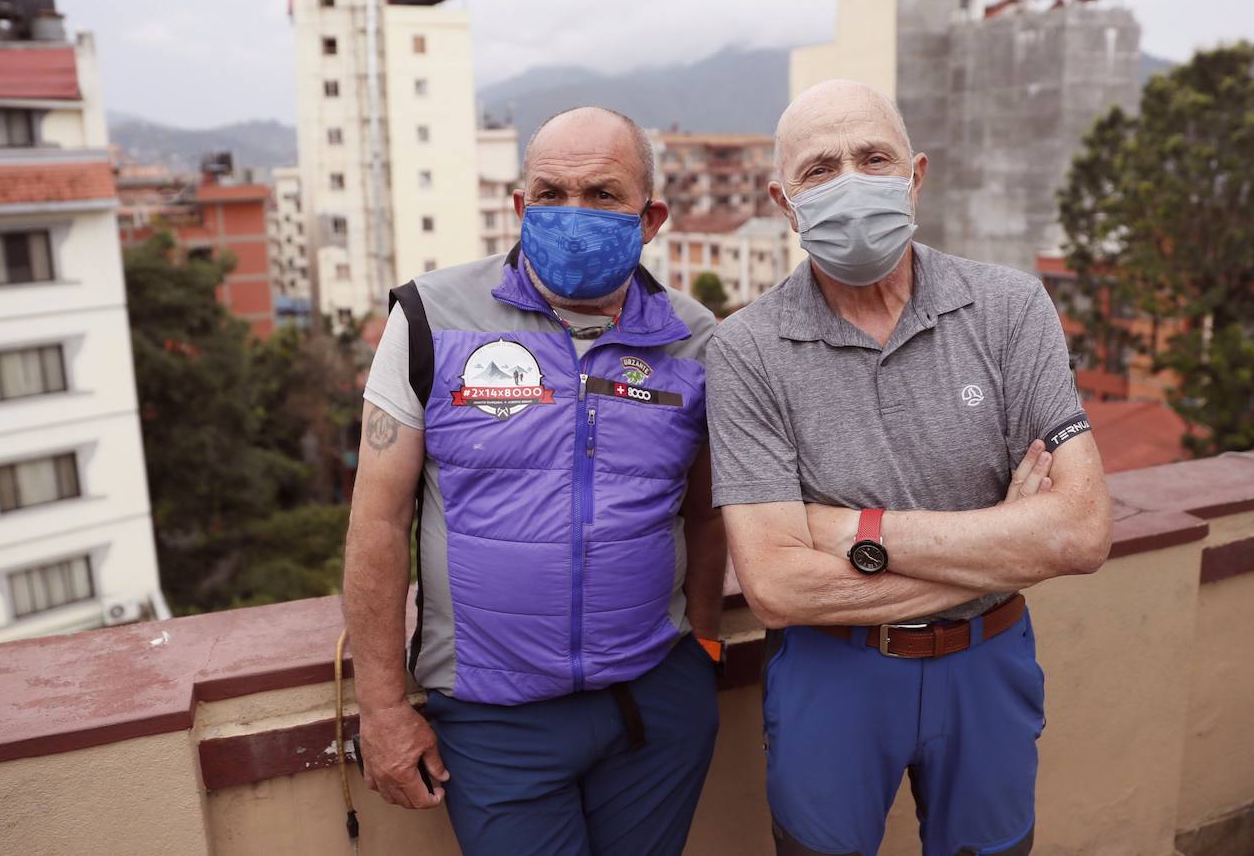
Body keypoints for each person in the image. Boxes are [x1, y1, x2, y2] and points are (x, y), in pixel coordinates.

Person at [706, 80, 1113, 856]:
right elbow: (777, 587)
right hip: (836, 669)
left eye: (874, 157)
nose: (853, 183)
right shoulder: (745, 350)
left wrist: (853, 532)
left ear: (915, 175)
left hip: (987, 664)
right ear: (783, 201)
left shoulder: (1010, 308)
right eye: (821, 170)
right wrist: (1006, 545)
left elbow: (1084, 532)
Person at [342, 106, 726, 855]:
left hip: (654, 706)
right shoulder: (429, 318)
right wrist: (382, 707)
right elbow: (378, 521)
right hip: (493, 720)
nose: (572, 213)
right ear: (520, 209)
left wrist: (704, 647)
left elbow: (707, 512)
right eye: (550, 193)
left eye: (603, 194)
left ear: (651, 218)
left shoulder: (695, 338)